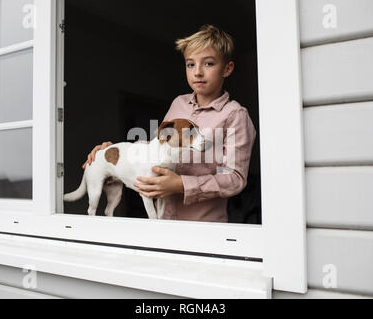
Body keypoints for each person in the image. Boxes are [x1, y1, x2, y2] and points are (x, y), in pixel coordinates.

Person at [82, 25, 257, 223]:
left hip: (203, 227)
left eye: (208, 64)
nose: (197, 72)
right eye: (190, 64)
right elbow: (159, 146)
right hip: (163, 221)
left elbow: (234, 178)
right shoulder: (178, 104)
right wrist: (112, 152)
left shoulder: (235, 115)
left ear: (227, 68)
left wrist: (182, 184)